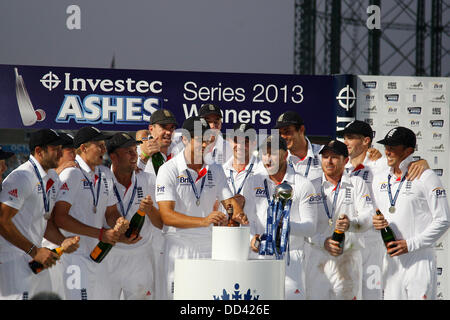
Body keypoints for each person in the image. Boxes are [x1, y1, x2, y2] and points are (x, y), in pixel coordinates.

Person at [155, 116, 248, 299]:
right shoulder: (169, 169)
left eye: (208, 139)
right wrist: (204, 221)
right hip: (178, 246)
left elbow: (229, 202)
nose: (204, 145)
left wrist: (238, 214)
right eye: (199, 139)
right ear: (184, 139)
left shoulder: (215, 169)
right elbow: (166, 216)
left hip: (209, 246)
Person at [338, 120, 431, 300]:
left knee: (371, 295)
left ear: (366, 141)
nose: (345, 141)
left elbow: (406, 165)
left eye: (350, 137)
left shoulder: (380, 163)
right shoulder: (342, 166)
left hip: (373, 244)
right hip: (349, 243)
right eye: (344, 137)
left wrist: (423, 162)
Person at [52, 126, 133, 300]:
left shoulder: (105, 174)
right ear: (83, 148)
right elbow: (60, 218)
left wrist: (119, 221)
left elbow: (110, 212)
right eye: (99, 145)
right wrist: (101, 233)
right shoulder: (71, 174)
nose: (104, 149)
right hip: (74, 256)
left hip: (98, 255)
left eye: (104, 145)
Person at [372, 127, 450, 300]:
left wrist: (411, 244)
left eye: (393, 146)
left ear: (408, 150)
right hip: (391, 260)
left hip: (419, 259)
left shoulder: (427, 176)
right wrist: (375, 221)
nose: (387, 151)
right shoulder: (379, 178)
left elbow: (443, 220)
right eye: (386, 146)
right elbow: (374, 213)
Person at [0, 129, 79, 300]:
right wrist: (34, 251)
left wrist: (62, 241)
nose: (60, 152)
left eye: (60, 148)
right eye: (55, 149)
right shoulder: (21, 177)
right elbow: (2, 221)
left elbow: (45, 221)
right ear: (39, 151)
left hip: (36, 259)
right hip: (14, 261)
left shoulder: (52, 177)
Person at [247, 135, 319, 300]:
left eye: (273, 153)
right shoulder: (253, 181)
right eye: (264, 154)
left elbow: (310, 227)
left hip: (291, 257)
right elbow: (248, 218)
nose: (268, 158)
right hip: (260, 255)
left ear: (285, 155)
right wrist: (251, 238)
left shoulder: (302, 184)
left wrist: (284, 225)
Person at [304, 139, 375, 300]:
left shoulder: (357, 183)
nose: (329, 161)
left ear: (346, 160)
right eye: (325, 156)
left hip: (348, 259)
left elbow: (369, 216)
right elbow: (305, 225)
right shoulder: (311, 186)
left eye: (334, 157)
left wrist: (351, 224)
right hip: (317, 258)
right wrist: (323, 242)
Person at [95, 132, 163, 299]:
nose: (135, 155)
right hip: (108, 256)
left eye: (135, 150)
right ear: (114, 157)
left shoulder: (148, 180)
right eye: (129, 151)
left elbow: (161, 223)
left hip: (140, 257)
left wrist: (150, 210)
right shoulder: (100, 180)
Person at [220, 123, 258, 210]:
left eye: (245, 142)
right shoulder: (221, 171)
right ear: (230, 141)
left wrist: (246, 202)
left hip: (252, 223)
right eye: (236, 141)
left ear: (254, 143)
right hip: (225, 223)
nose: (240, 146)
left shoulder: (263, 171)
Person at [137, 109, 178, 176]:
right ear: (151, 129)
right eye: (164, 127)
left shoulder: (179, 146)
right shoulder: (136, 152)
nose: (169, 132)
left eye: (172, 127)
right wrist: (144, 156)